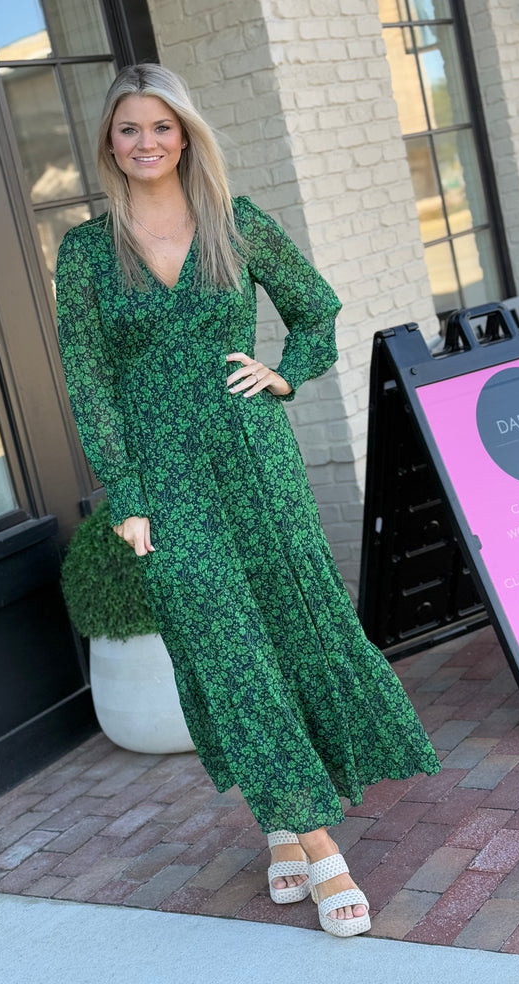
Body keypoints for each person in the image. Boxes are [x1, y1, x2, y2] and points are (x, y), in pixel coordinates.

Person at [56, 63, 440, 938]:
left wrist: (284, 374)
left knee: (290, 633)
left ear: (184, 135)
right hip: (165, 480)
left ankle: (282, 824)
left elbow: (316, 309)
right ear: (110, 141)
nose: (146, 142)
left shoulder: (235, 221)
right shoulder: (86, 252)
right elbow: (89, 380)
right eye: (129, 128)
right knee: (225, 648)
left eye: (162, 126)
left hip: (256, 462)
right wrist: (126, 495)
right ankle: (324, 848)